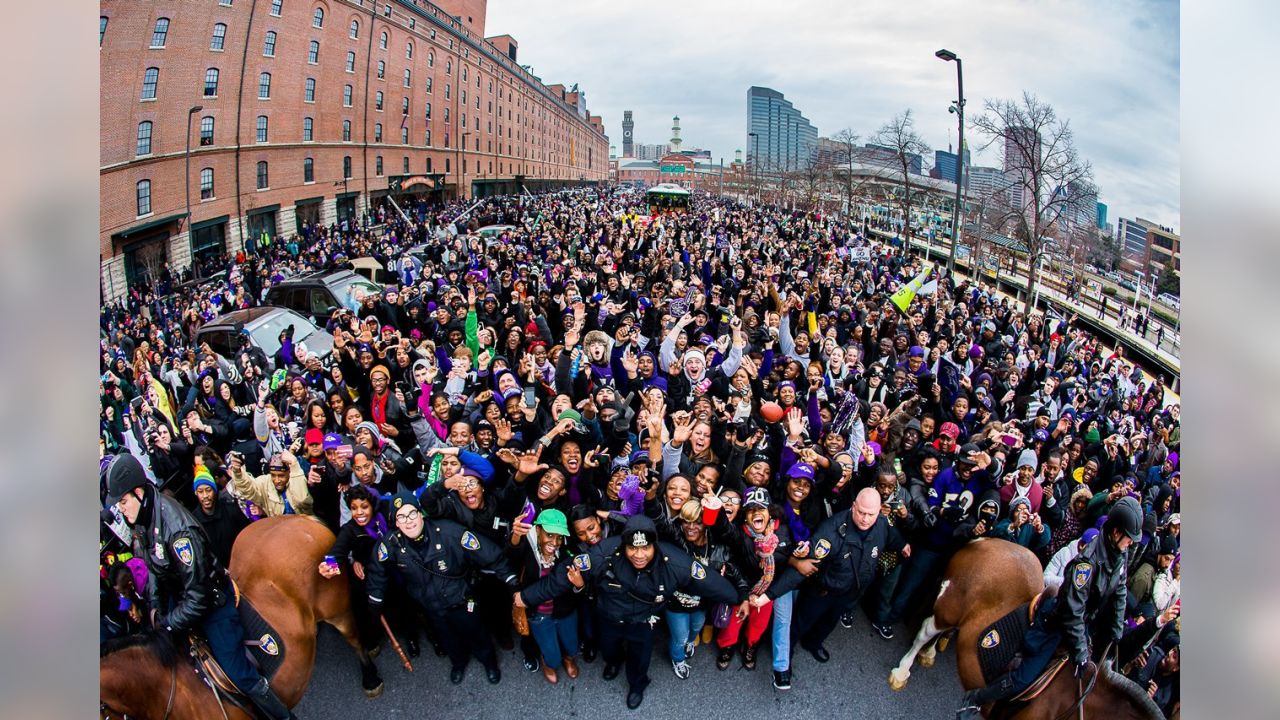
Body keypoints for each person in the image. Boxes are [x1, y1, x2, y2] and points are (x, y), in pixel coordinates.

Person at [104, 454, 295, 720]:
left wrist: (168, 625)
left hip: (212, 603)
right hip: (181, 597)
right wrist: (155, 612)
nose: (122, 509)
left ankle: (283, 716)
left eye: (123, 502)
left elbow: (199, 596)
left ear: (138, 493)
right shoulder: (143, 520)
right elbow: (154, 570)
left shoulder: (179, 532)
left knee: (239, 674)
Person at [515, 514, 738, 709]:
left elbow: (711, 582)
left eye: (645, 548)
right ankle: (613, 663)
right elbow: (561, 575)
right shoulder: (604, 553)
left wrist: (742, 597)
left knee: (640, 660)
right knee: (609, 650)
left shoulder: (675, 562)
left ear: (655, 545)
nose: (639, 554)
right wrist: (526, 597)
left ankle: (637, 686)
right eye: (632, 547)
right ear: (623, 546)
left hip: (643, 622)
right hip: (609, 618)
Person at [958, 496, 1142, 717]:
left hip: (1083, 624)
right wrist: (1081, 654)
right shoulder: (1086, 564)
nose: (1130, 543)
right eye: (1129, 538)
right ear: (1116, 532)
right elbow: (1073, 610)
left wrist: (1116, 632)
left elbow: (1120, 590)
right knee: (1023, 679)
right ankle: (976, 699)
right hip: (1058, 624)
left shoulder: (1119, 555)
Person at [365, 491, 519, 685]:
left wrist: (511, 579)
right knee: (449, 640)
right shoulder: (390, 544)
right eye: (401, 517)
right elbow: (376, 571)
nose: (408, 521)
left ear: (421, 514)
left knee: (478, 635)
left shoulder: (449, 532)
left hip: (461, 600)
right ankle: (458, 663)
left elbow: (489, 553)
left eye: (412, 513)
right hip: (432, 608)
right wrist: (375, 599)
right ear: (396, 523)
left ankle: (489, 663)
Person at [758, 488, 910, 685]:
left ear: (879, 511)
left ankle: (813, 643)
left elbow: (891, 535)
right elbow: (801, 570)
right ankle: (788, 652)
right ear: (853, 506)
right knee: (801, 622)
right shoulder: (831, 531)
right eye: (861, 512)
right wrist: (769, 595)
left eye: (870, 514)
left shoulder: (881, 523)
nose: (865, 519)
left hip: (849, 590)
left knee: (829, 623)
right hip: (822, 590)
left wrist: (903, 545)